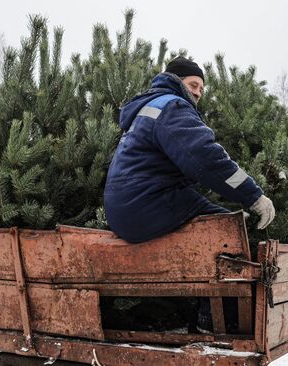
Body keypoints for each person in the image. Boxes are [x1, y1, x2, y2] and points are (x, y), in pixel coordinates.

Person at [104, 56, 275, 244]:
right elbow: (209, 160)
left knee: (226, 217)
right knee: (230, 229)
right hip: (147, 205)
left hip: (125, 208)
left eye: (201, 89)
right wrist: (254, 196)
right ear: (176, 80)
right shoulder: (172, 106)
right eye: (193, 85)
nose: (198, 93)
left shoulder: (150, 106)